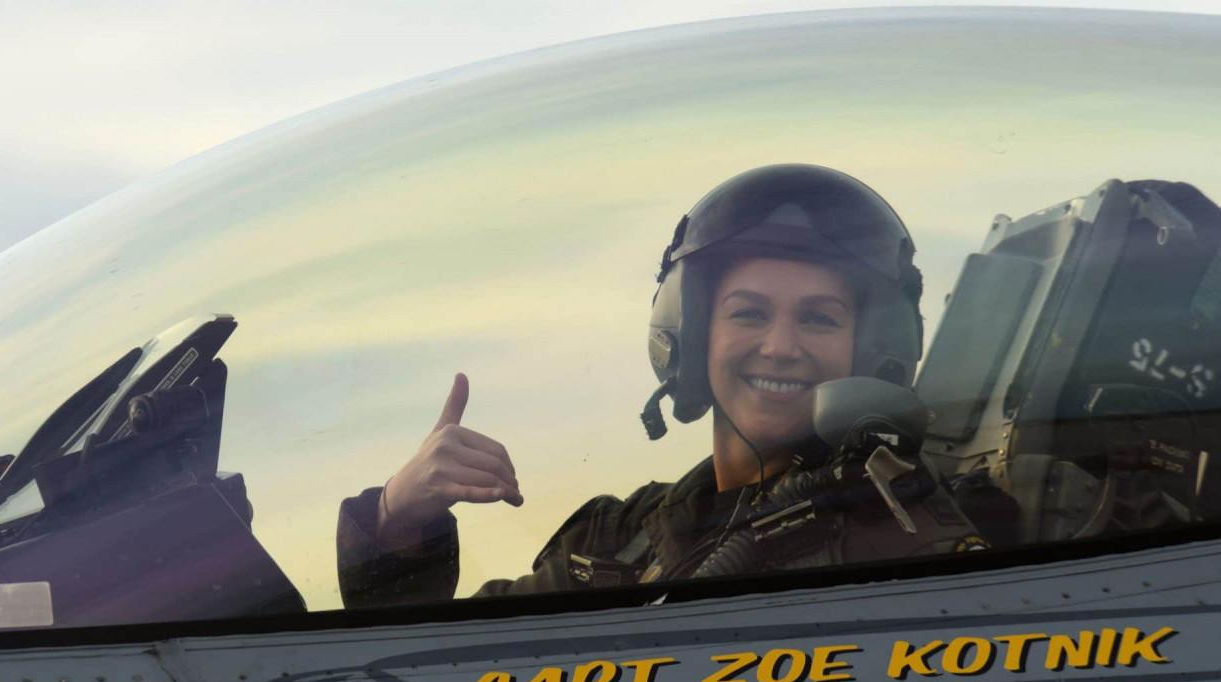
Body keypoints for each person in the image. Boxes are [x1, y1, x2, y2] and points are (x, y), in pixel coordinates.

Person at [337, 164, 987, 610]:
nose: (781, 345)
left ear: (872, 350)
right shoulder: (619, 540)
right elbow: (426, 675)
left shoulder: (942, 533)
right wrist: (399, 520)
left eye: (818, 318)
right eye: (748, 313)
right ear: (691, 335)